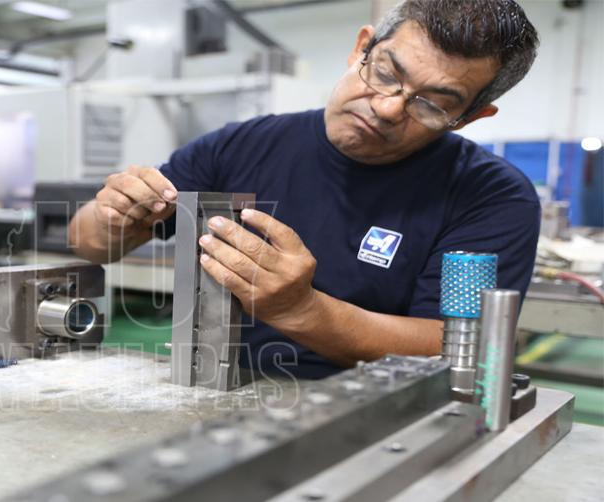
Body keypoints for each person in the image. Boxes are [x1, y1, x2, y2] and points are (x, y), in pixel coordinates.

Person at [68, 0, 541, 378]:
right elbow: (89, 243)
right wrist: (113, 216)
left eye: (432, 104)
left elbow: (454, 346)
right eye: (385, 73)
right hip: (225, 387)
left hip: (383, 413)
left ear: (470, 118)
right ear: (361, 48)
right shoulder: (242, 145)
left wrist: (303, 310)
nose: (388, 108)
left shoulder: (492, 196)